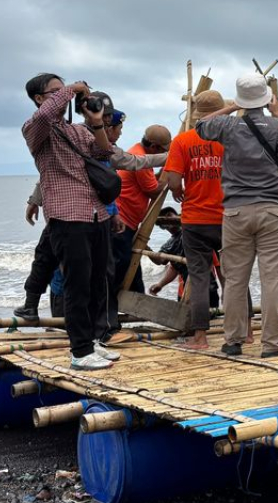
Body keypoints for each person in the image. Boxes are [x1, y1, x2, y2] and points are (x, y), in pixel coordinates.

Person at [17, 98, 163, 328]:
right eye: (114, 124)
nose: (119, 132)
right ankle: (81, 327)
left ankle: (79, 327)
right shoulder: (83, 138)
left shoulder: (93, 141)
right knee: (76, 271)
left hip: (90, 214)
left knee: (73, 269)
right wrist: (36, 199)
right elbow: (54, 170)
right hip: (79, 216)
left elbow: (110, 175)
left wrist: (113, 213)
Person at [198, 75, 278, 358]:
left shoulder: (228, 125)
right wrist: (277, 112)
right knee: (272, 279)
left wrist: (231, 107)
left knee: (234, 278)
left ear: (241, 99)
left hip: (235, 211)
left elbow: (200, 126)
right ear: (266, 97)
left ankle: (232, 341)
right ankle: (273, 343)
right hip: (274, 210)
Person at [21, 74, 117, 369]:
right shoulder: (35, 129)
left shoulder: (76, 131)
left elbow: (103, 152)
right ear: (39, 98)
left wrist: (96, 121)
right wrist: (73, 89)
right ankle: (79, 352)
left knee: (97, 282)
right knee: (77, 285)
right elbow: (46, 115)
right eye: (55, 91)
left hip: (95, 213)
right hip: (66, 215)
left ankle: (93, 343)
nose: (63, 95)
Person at [163, 90, 227, 350]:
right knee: (232, 276)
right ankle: (245, 332)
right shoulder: (231, 138)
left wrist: (178, 191)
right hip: (228, 216)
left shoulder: (183, 141)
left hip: (195, 219)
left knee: (199, 278)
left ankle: (200, 337)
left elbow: (173, 181)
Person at [112, 121, 173, 295]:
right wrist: (172, 174)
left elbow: (151, 182)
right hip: (122, 222)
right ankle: (108, 310)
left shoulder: (138, 152)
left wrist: (163, 175)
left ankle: (133, 309)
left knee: (131, 270)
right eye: (163, 151)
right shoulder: (141, 161)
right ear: (153, 147)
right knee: (120, 266)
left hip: (127, 222)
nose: (163, 155)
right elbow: (154, 191)